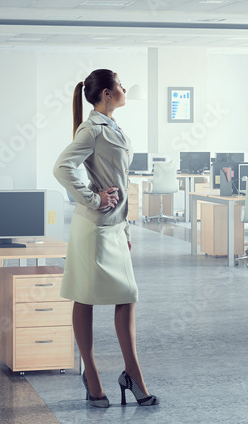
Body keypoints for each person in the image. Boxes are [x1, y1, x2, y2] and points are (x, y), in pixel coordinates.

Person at [53, 69, 158, 407]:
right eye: (121, 84)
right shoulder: (91, 128)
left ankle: (131, 374)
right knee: (85, 298)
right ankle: (93, 375)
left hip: (113, 227)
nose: (125, 88)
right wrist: (93, 198)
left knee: (127, 296)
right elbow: (62, 168)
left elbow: (120, 180)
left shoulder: (112, 126)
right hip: (94, 228)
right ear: (108, 94)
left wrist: (124, 228)